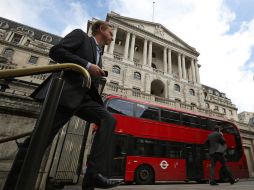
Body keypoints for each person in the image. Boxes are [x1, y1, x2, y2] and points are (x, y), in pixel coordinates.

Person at [3, 20, 121, 190]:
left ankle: (92, 176)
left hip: (83, 99)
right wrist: (87, 65)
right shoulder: (81, 36)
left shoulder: (99, 56)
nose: (112, 38)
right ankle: (13, 186)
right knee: (38, 142)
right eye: (111, 33)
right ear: (101, 29)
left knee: (108, 119)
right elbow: (56, 51)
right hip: (65, 94)